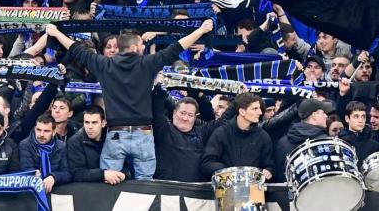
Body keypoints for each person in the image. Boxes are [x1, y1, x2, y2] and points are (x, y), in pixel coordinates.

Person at [41, 18, 214, 180]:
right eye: (141, 45)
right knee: (145, 187)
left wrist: (56, 33)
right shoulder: (147, 63)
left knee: (110, 185)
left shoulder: (104, 64)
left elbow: (77, 50)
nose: (143, 47)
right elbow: (176, 47)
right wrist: (201, 30)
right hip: (144, 133)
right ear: (133, 48)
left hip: (116, 133)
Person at [201, 93, 275, 181]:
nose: (260, 112)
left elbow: (270, 165)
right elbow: (207, 163)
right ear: (242, 111)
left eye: (259, 108)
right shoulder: (221, 133)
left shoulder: (263, 136)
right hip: (226, 189)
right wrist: (229, 172)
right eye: (255, 108)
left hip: (254, 190)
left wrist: (268, 171)